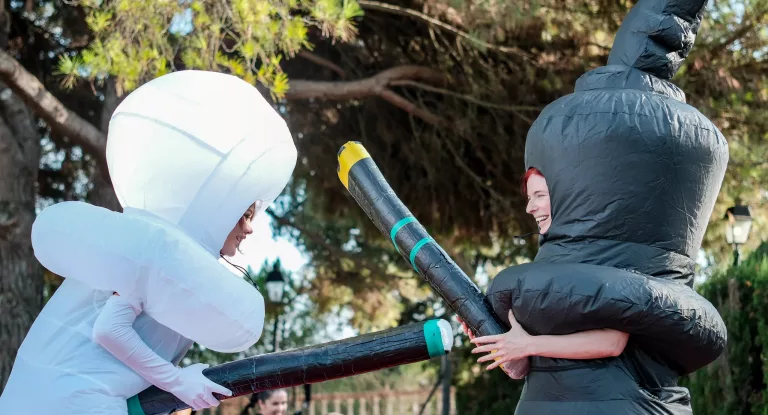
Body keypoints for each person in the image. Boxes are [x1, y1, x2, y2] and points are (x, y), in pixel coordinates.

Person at [0, 70, 298, 415]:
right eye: (244, 215)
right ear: (221, 209)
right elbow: (109, 329)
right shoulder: (154, 253)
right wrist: (177, 381)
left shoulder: (170, 259)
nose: (249, 229)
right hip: (71, 398)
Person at [458, 168, 629, 371]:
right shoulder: (546, 260)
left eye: (539, 196)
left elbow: (613, 342)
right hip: (549, 397)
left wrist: (528, 345)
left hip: (600, 397)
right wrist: (497, 342)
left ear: (567, 197)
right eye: (529, 197)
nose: (529, 208)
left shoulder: (605, 249)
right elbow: (522, 369)